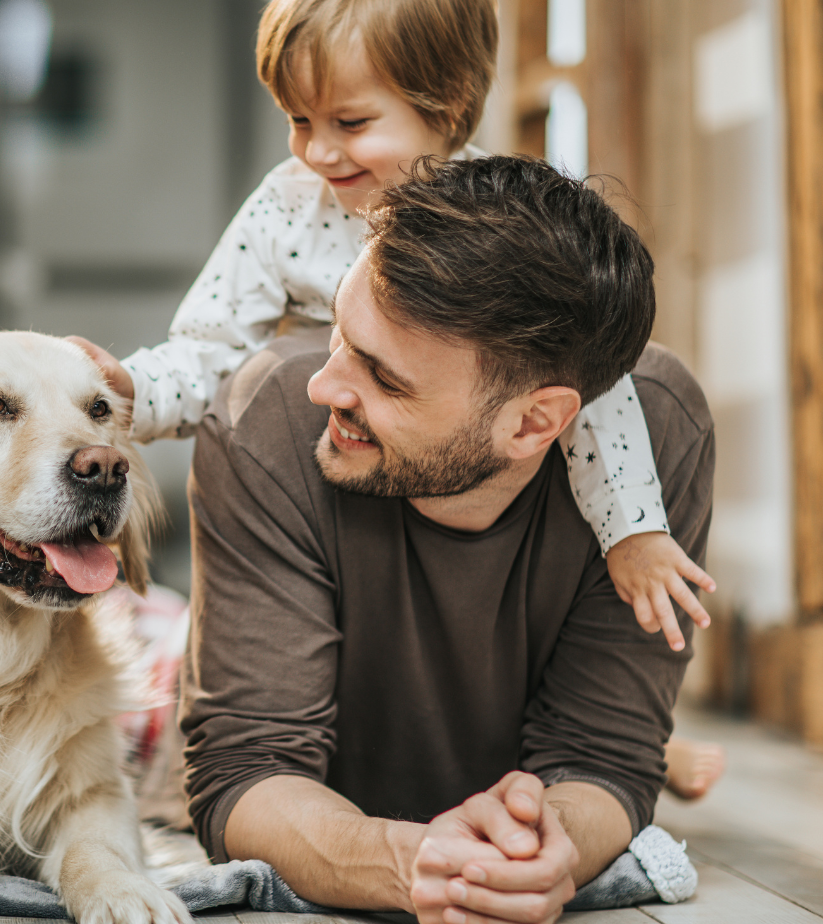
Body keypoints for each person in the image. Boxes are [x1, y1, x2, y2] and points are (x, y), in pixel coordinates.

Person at [73, 0, 724, 801]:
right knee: (160, 660)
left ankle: (650, 750)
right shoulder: (288, 208)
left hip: (451, 480)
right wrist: (131, 391)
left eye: (348, 120)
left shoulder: (502, 231)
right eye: (297, 119)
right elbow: (210, 344)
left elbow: (595, 388)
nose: (317, 150)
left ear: (444, 108)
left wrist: (635, 533)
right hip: (341, 493)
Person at [180, 154, 713, 922]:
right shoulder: (265, 420)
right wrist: (411, 862)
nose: (323, 386)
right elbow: (244, 770)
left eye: (384, 377)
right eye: (337, 331)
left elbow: (605, 758)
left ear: (536, 422)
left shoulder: (657, 439)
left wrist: (542, 849)